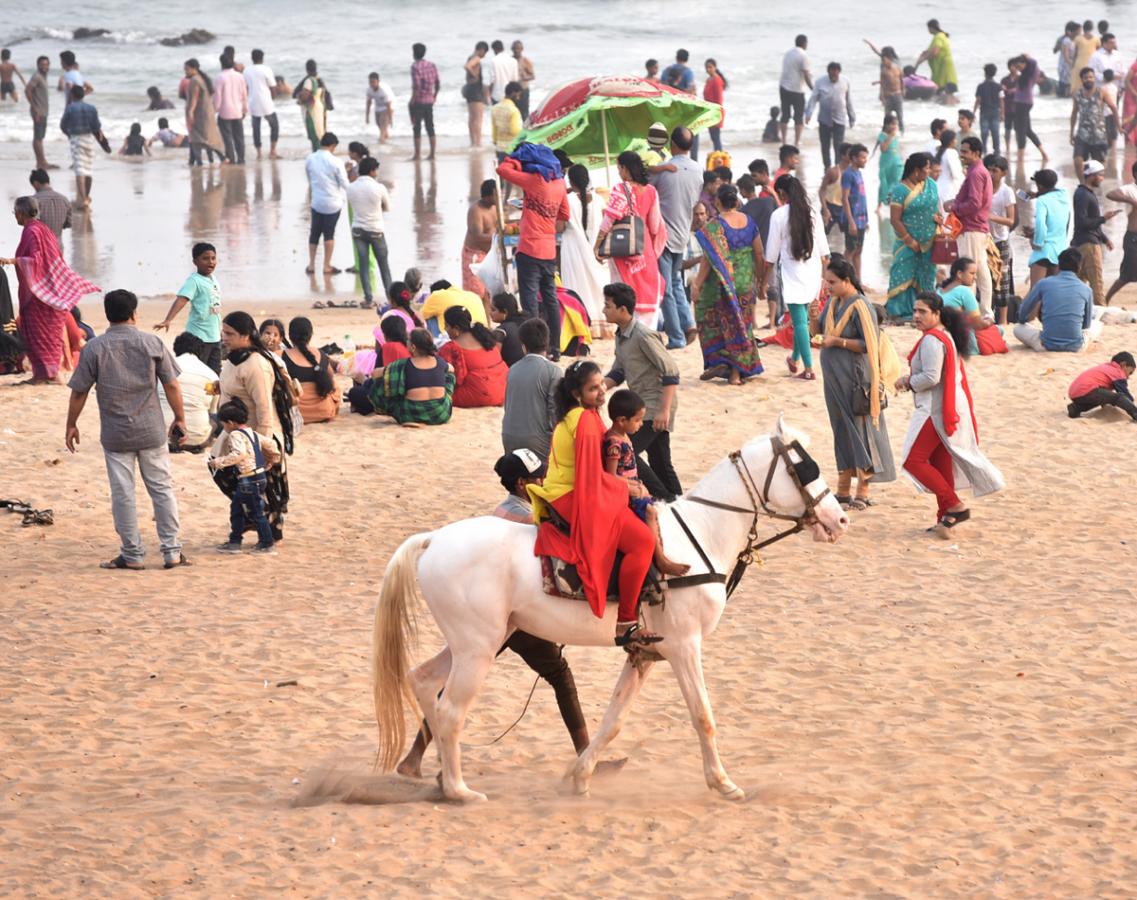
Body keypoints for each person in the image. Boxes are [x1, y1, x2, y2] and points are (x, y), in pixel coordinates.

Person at [528, 360, 660, 647]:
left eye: (601, 384)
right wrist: (626, 488)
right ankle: (626, 621)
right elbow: (591, 478)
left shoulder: (580, 415)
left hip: (568, 487)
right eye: (593, 388)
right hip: (573, 495)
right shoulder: (585, 421)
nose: (602, 391)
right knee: (642, 543)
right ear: (577, 394)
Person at [65, 289, 187, 570]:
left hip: (116, 433)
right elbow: (171, 385)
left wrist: (72, 424)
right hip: (151, 430)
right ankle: (171, 552)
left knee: (123, 493)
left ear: (108, 315)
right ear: (134, 313)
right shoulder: (152, 342)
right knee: (162, 490)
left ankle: (132, 554)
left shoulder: (94, 348)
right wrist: (180, 418)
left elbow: (79, 392)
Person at [898, 292, 1003, 530]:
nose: (916, 316)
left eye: (922, 311)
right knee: (940, 460)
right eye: (915, 311)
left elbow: (931, 377)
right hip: (948, 404)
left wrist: (907, 381)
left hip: (935, 409)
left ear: (936, 314)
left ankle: (955, 505)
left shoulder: (932, 340)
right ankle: (945, 518)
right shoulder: (942, 335)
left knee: (913, 461)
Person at [813, 257, 896, 510]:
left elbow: (867, 344)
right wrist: (812, 317)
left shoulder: (860, 305)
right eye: (827, 282)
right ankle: (842, 489)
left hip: (856, 377)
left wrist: (837, 343)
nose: (828, 286)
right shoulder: (834, 302)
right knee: (840, 428)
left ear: (847, 281)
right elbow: (817, 334)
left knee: (860, 429)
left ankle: (863, 489)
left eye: (832, 282)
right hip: (834, 378)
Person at [0, 196, 99, 384]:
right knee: (39, 333)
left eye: (15, 213)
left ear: (21, 213)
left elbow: (38, 261)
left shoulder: (33, 231)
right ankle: (44, 374)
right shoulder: (41, 229)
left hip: (40, 295)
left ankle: (48, 374)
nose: (15, 217)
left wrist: (13, 261)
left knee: (40, 333)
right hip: (46, 291)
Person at [602, 283, 681, 502]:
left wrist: (663, 410)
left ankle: (662, 497)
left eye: (607, 306)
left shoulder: (643, 335)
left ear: (623, 309)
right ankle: (677, 501)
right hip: (643, 406)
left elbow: (671, 372)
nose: (603, 310)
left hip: (654, 406)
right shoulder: (621, 336)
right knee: (660, 460)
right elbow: (618, 372)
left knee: (629, 451)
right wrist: (599, 387)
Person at [218, 311, 292, 540]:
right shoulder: (233, 360)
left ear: (245, 336)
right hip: (237, 434)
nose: (224, 337)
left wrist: (262, 446)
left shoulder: (256, 364)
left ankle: (269, 535)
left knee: (268, 489)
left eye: (230, 334)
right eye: (224, 332)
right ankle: (253, 521)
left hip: (259, 436)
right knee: (223, 474)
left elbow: (264, 409)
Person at [603, 389, 689, 577]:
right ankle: (661, 559)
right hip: (625, 491)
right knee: (650, 512)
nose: (641, 425)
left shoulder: (624, 437)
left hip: (635, 486)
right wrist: (633, 486)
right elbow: (610, 476)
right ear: (621, 420)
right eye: (638, 420)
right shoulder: (614, 444)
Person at [690, 183, 765, 384]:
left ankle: (732, 371)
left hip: (723, 285)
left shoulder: (716, 225)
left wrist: (697, 285)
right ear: (737, 201)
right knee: (742, 325)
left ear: (718, 202)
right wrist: (761, 281)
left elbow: (708, 260)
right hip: (745, 283)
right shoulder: (750, 222)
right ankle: (732, 369)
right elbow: (759, 254)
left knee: (722, 324)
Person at [497, 144, 569, 354]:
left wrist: (516, 160)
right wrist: (544, 210)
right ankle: (554, 347)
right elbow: (564, 215)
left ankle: (535, 347)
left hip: (529, 248)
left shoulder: (536, 180)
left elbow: (502, 170)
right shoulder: (559, 183)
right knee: (550, 299)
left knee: (530, 303)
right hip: (548, 250)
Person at [765, 174, 830, 381]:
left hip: (792, 271)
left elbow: (771, 255)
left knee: (800, 321)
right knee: (801, 318)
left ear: (782, 193)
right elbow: (824, 251)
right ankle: (794, 358)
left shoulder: (778, 215)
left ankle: (809, 368)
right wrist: (825, 278)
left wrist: (763, 280)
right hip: (812, 269)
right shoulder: (812, 213)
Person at [595, 151, 665, 329]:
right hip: (645, 251)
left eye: (619, 168)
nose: (619, 172)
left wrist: (598, 245)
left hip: (623, 251)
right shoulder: (651, 191)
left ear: (625, 169)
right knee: (646, 297)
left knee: (623, 298)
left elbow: (609, 219)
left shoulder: (621, 189)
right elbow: (655, 225)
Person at [650, 126, 702, 348]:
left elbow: (645, 189)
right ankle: (688, 323)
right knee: (675, 283)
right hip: (682, 234)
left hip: (663, 235)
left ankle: (677, 337)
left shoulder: (665, 170)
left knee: (666, 289)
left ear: (673, 144)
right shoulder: (698, 170)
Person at [209, 398, 280, 554]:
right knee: (237, 509)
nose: (224, 428)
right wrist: (272, 461)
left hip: (248, 479)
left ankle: (267, 544)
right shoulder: (251, 432)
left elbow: (238, 454)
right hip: (259, 477)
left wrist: (219, 462)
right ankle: (235, 541)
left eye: (224, 424)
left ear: (231, 422)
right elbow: (271, 445)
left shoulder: (235, 434)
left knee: (256, 513)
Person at [886, 153, 940, 319]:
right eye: (926, 169)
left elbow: (935, 207)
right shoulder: (900, 190)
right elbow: (895, 220)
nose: (929, 172)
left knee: (926, 275)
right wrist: (909, 240)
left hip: (930, 241)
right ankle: (900, 312)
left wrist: (939, 218)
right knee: (902, 273)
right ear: (916, 171)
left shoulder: (930, 184)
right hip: (907, 242)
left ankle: (925, 310)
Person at [1014, 248, 1099, 352]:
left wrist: (1023, 321)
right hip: (1076, 346)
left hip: (1046, 344)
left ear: (1059, 264)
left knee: (1018, 329)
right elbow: (1086, 325)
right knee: (1097, 325)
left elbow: (1023, 312)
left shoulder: (1044, 283)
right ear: (1079, 267)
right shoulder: (1086, 289)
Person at [154, 241, 223, 372]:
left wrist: (220, 329)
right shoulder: (194, 281)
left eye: (213, 258)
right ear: (195, 261)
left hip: (214, 337)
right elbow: (181, 300)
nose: (210, 262)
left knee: (215, 374)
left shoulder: (213, 279)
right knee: (199, 370)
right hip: (198, 336)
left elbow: (215, 308)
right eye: (205, 258)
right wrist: (168, 320)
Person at [368, 327, 455, 426]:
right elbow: (452, 370)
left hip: (411, 413)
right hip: (440, 413)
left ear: (413, 347)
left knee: (384, 380)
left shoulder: (403, 365)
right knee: (450, 376)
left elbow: (375, 374)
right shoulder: (440, 362)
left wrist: (387, 373)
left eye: (408, 340)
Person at [502, 317, 561, 460]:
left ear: (523, 345)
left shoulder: (513, 369)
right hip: (537, 442)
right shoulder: (553, 371)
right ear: (547, 342)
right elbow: (555, 413)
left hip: (509, 437)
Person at [949, 136, 993, 315]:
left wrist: (954, 207)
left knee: (970, 272)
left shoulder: (976, 173)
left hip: (972, 228)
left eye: (965, 152)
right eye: (961, 151)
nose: (962, 155)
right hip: (977, 228)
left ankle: (975, 312)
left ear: (976, 153)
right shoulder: (978, 171)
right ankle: (984, 311)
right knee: (980, 271)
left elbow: (974, 203)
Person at [561, 164, 608, 322]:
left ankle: (580, 321)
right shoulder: (598, 199)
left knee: (576, 285)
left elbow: (559, 226)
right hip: (595, 246)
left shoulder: (567, 200)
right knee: (598, 284)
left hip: (572, 246)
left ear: (570, 181)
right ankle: (600, 319)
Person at [437, 305, 507, 408]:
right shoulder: (486, 338)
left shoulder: (451, 348)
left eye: (447, 326)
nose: (445, 329)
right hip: (502, 390)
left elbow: (448, 378)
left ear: (456, 328)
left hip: (480, 394)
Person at [158, 332, 217, 450]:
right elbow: (212, 410)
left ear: (176, 349)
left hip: (160, 436)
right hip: (196, 439)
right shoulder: (212, 376)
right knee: (214, 421)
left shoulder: (163, 367)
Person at [346, 156, 392, 304]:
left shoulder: (351, 187)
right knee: (383, 266)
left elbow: (353, 204)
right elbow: (388, 207)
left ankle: (368, 298)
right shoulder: (379, 188)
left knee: (364, 266)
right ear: (372, 171)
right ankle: (391, 298)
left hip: (358, 230)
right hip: (376, 230)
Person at [1073, 160, 1119, 307]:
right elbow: (1082, 222)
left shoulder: (1084, 193)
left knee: (1079, 283)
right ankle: (1102, 311)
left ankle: (1080, 311)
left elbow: (1092, 222)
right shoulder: (1084, 195)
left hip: (1082, 242)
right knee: (1096, 284)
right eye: (1100, 175)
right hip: (1089, 246)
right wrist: (1103, 218)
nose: (1102, 178)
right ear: (1091, 175)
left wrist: (1105, 239)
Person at [304, 132, 348, 276]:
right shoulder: (336, 162)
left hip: (317, 201)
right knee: (329, 234)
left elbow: (310, 178)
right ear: (333, 145)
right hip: (332, 203)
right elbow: (344, 183)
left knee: (314, 233)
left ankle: (311, 265)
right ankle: (326, 265)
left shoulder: (310, 159)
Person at [283, 317, 340, 423]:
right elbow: (330, 378)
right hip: (324, 411)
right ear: (310, 335)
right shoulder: (321, 354)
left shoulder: (282, 355)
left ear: (290, 336)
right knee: (335, 386)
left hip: (297, 413)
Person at [985, 154, 1018, 324]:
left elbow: (1011, 220)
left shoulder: (1006, 192)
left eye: (995, 171)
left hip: (1000, 241)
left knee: (1002, 281)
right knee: (985, 279)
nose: (991, 174)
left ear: (1003, 173)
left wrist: (991, 217)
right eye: (989, 170)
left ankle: (1003, 320)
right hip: (984, 240)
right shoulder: (983, 187)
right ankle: (988, 316)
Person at [59, 85, 104, 209]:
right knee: (88, 169)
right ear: (83, 95)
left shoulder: (70, 108)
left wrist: (69, 134)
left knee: (79, 170)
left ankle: (83, 199)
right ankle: (86, 197)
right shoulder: (92, 108)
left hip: (76, 139)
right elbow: (96, 127)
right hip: (89, 139)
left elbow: (63, 125)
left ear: (72, 95)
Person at [805, 62, 856, 170]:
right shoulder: (820, 82)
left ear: (839, 73)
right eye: (832, 74)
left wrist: (852, 116)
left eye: (836, 75)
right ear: (828, 72)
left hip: (840, 119)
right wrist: (808, 114)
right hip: (824, 119)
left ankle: (838, 168)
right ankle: (827, 167)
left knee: (839, 145)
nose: (834, 77)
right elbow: (813, 99)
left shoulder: (845, 81)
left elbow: (848, 100)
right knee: (825, 145)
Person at [1026, 169, 1070, 286]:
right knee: (1053, 291)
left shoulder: (1042, 201)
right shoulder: (1064, 197)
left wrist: (1037, 243)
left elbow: (1041, 224)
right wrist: (1037, 195)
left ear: (1039, 185)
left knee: (1036, 292)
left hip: (1043, 251)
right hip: (1060, 250)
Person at [1067, 352, 1137, 421]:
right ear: (1123, 365)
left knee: (1102, 399)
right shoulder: (1118, 372)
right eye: (1130, 372)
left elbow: (1105, 395)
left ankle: (1075, 408)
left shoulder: (1106, 367)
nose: (1128, 377)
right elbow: (1124, 393)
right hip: (1087, 390)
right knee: (1119, 397)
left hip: (1075, 393)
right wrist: (1132, 405)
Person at [1070, 67, 1115, 176]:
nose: (1089, 79)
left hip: (1099, 134)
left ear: (1094, 78)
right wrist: (1071, 133)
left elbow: (1113, 108)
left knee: (1099, 164)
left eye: (1091, 77)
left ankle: (1097, 182)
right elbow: (1074, 113)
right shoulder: (1078, 94)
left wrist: (1117, 126)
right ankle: (1082, 183)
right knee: (1077, 160)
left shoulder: (1101, 92)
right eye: (1086, 77)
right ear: (1082, 79)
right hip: (1082, 134)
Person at [462, 179, 499, 305]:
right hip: (474, 255)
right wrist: (497, 236)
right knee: (475, 294)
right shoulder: (476, 211)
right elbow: (478, 236)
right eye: (496, 194)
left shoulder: (495, 208)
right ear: (488, 196)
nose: (498, 197)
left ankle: (487, 323)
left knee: (488, 293)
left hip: (489, 255)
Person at [1105, 161, 1137, 303]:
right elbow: (1110, 194)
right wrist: (1131, 200)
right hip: (1133, 238)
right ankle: (1106, 298)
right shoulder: (1130, 189)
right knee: (1127, 274)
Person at [937, 257, 982, 356]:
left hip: (939, 334)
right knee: (998, 330)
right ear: (960, 274)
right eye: (972, 273)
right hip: (958, 336)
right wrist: (989, 321)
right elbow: (978, 324)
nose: (975, 277)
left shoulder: (939, 290)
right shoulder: (964, 291)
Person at [183, 58, 223, 167]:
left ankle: (199, 162)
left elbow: (194, 98)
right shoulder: (202, 79)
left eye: (187, 69)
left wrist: (190, 111)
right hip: (206, 112)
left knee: (197, 139)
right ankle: (221, 158)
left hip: (199, 113)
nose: (185, 72)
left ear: (194, 69)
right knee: (208, 138)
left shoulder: (194, 81)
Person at [1009, 54, 1047, 161]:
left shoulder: (1031, 74)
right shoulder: (1022, 76)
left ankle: (1020, 156)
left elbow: (1034, 63)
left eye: (1019, 65)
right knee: (1027, 130)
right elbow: (1019, 90)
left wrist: (1026, 57)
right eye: (1016, 66)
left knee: (1021, 130)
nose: (1018, 67)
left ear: (1025, 64)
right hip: (1019, 104)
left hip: (1024, 104)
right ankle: (1043, 153)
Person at [840, 143, 869, 280]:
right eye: (862, 158)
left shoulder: (859, 173)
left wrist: (866, 220)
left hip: (861, 219)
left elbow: (862, 198)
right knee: (850, 250)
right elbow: (845, 198)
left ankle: (858, 280)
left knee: (859, 250)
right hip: (852, 219)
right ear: (854, 158)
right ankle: (845, 278)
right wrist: (851, 221)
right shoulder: (848, 174)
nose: (865, 160)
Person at [212, 54, 246, 164]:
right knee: (239, 137)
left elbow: (218, 96)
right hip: (237, 110)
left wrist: (215, 109)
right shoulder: (239, 76)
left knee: (227, 137)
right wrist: (245, 109)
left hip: (224, 111)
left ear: (221, 63)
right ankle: (241, 158)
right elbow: (244, 94)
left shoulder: (220, 77)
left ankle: (231, 158)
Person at [245, 49, 279, 160]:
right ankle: (272, 151)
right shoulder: (266, 69)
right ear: (262, 58)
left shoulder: (246, 70)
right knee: (274, 126)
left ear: (252, 58)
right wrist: (273, 98)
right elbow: (273, 86)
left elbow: (245, 87)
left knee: (256, 128)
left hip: (253, 102)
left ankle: (259, 153)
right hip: (266, 102)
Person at [779, 35, 812, 146]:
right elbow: (806, 74)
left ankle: (783, 141)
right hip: (797, 90)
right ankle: (796, 141)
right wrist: (813, 88)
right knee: (798, 117)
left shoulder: (788, 53)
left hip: (783, 87)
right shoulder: (803, 55)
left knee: (785, 115)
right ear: (804, 43)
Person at [863, 41, 904, 131]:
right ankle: (886, 134)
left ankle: (901, 134)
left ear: (888, 56)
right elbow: (885, 79)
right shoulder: (884, 64)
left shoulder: (896, 64)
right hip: (888, 92)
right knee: (888, 117)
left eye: (883, 54)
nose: (882, 57)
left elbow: (898, 78)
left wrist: (902, 90)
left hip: (896, 93)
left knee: (899, 116)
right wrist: (870, 44)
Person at [409, 43, 440, 161]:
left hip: (418, 101)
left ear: (414, 53)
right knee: (430, 127)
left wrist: (412, 100)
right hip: (429, 101)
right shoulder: (431, 65)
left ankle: (417, 155)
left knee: (417, 128)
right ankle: (432, 154)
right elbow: (437, 83)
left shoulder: (415, 67)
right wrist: (434, 96)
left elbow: (416, 86)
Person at [916, 18, 958, 103]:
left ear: (931, 28)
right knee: (942, 89)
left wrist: (923, 59)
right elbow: (932, 50)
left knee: (944, 88)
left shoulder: (938, 37)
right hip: (941, 65)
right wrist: (925, 53)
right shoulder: (940, 36)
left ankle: (946, 104)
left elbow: (935, 52)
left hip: (943, 65)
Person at [28, 169, 71, 248]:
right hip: (58, 246)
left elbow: (29, 225)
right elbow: (69, 223)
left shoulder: (32, 201)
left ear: (36, 183)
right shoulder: (64, 199)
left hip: (39, 246)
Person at [295, 59, 327, 153]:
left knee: (314, 135)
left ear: (306, 69)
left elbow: (305, 95)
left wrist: (299, 97)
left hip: (312, 111)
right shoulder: (319, 80)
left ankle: (317, 155)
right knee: (319, 134)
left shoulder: (309, 80)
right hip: (319, 108)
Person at [26, 56, 51, 170]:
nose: (44, 66)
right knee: (38, 137)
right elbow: (27, 90)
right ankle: (41, 163)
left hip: (42, 111)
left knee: (40, 137)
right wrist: (34, 107)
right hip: (38, 112)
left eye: (46, 64)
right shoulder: (37, 77)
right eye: (42, 64)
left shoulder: (43, 76)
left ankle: (42, 162)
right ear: (38, 65)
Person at [489, 292, 528, 366]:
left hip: (510, 372)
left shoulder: (501, 331)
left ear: (505, 312)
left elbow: (494, 358)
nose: (490, 313)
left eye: (493, 310)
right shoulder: (525, 323)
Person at [873, 115, 902, 212]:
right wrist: (890, 137)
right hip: (886, 162)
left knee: (896, 181)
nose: (894, 126)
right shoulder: (883, 135)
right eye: (892, 124)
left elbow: (896, 149)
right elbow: (883, 149)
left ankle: (894, 203)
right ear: (886, 125)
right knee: (884, 182)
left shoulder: (897, 135)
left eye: (896, 124)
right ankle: (879, 204)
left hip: (896, 161)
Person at [491, 80, 523, 164]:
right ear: (514, 93)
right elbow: (514, 130)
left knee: (501, 173)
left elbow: (494, 129)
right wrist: (524, 133)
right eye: (518, 95)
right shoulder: (513, 110)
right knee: (512, 174)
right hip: (511, 148)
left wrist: (495, 142)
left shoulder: (495, 108)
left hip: (499, 147)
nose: (519, 98)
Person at [462, 43, 488, 146]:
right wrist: (475, 76)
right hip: (476, 90)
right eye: (485, 52)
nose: (484, 55)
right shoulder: (476, 58)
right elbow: (467, 66)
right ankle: (478, 143)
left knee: (472, 118)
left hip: (470, 89)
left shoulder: (470, 57)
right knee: (478, 118)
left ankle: (473, 142)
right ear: (481, 50)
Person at [974, 63, 1003, 154]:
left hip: (984, 112)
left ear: (985, 73)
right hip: (995, 112)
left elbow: (978, 100)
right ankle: (996, 150)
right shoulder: (998, 86)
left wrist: (973, 112)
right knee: (995, 132)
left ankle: (984, 150)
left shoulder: (981, 86)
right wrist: (1002, 113)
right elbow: (1001, 100)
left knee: (984, 132)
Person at [485, 39, 519, 106]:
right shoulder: (513, 60)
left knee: (497, 115)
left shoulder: (493, 61)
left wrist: (489, 94)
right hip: (510, 95)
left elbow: (492, 80)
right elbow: (515, 79)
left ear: (494, 49)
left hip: (497, 94)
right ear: (503, 48)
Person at [364, 71, 395, 145]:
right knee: (380, 127)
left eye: (373, 82)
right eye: (370, 82)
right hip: (378, 107)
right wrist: (367, 117)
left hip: (388, 107)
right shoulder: (369, 90)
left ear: (378, 81)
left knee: (382, 130)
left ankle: (381, 148)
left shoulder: (384, 90)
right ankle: (388, 144)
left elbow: (389, 104)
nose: (372, 84)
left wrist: (390, 119)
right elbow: (368, 103)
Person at [703, 59, 726, 152]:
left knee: (716, 138)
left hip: (715, 113)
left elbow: (719, 100)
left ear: (715, 67)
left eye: (710, 67)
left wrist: (718, 117)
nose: (708, 69)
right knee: (713, 137)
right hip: (709, 112)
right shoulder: (709, 80)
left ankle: (720, 158)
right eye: (706, 67)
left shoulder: (717, 81)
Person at [934, 129, 962, 204]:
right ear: (951, 141)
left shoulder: (938, 151)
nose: (956, 141)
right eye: (955, 139)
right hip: (949, 190)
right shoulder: (951, 152)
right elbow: (956, 174)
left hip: (938, 187)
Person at [1055, 21, 1081, 98]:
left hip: (1072, 66)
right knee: (1065, 86)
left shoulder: (1076, 40)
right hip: (1065, 67)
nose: (1080, 32)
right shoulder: (1066, 40)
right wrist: (1074, 65)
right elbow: (1066, 57)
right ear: (1072, 31)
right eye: (1079, 30)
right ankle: (1060, 101)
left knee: (1071, 86)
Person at [511, 40, 535, 120]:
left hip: (523, 90)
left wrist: (523, 78)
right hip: (512, 91)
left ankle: (526, 130)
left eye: (518, 48)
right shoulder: (510, 60)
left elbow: (532, 76)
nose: (516, 50)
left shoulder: (525, 60)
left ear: (522, 49)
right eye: (514, 48)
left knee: (524, 113)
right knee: (513, 113)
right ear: (512, 49)